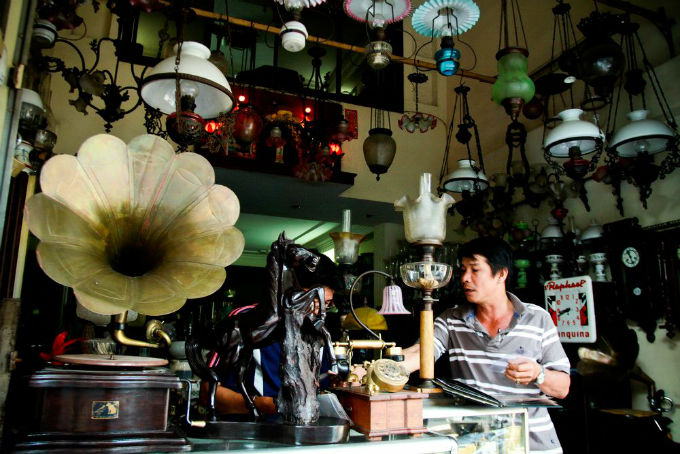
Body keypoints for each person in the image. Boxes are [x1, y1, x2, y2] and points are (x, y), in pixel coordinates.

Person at [402, 237, 570, 454]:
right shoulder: (452, 319)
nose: (465, 278)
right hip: (477, 443)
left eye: (475, 270)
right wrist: (378, 369)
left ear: (501, 274)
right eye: (463, 270)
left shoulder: (537, 318)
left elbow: (563, 387)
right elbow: (420, 353)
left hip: (534, 444)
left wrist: (538, 373)